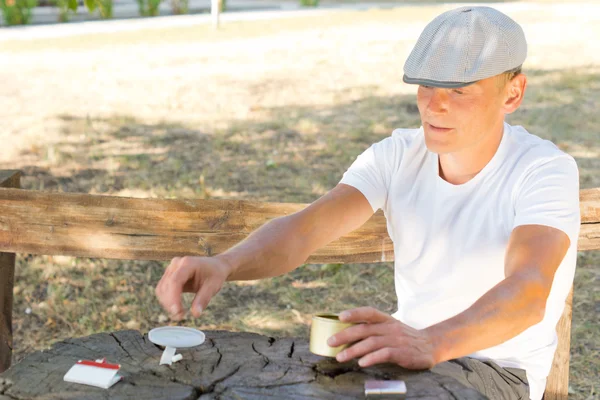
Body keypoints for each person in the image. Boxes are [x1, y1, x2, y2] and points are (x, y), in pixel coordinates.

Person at [154, 6, 580, 400]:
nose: (435, 104)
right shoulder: (396, 154)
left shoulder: (543, 170)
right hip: (407, 355)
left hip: (495, 370)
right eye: (426, 86)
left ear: (513, 93)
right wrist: (224, 264)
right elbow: (304, 229)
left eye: (461, 91)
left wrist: (431, 341)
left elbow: (528, 291)